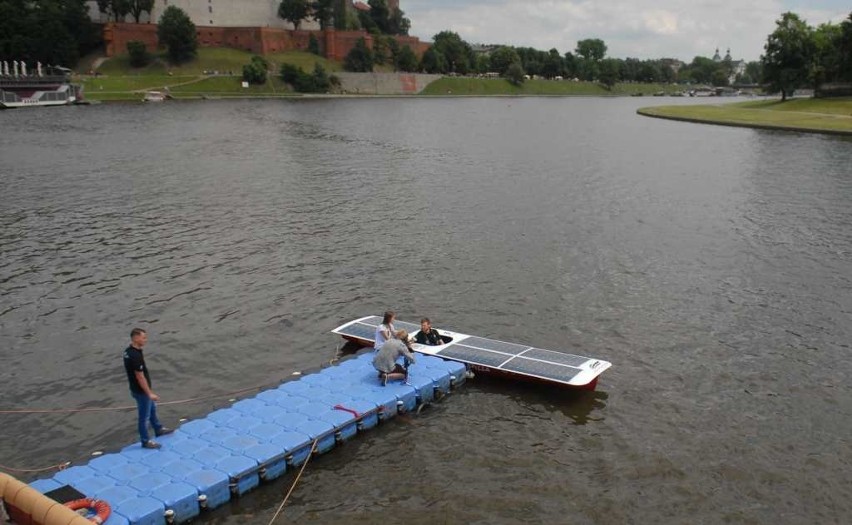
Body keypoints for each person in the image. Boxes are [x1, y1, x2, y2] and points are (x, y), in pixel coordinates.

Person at [123, 328, 173, 449]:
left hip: (136, 389)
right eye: (143, 337)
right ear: (135, 338)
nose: (146, 340)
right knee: (144, 417)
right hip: (141, 391)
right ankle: (145, 441)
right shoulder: (135, 355)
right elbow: (140, 377)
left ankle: (158, 428)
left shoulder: (129, 351)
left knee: (152, 409)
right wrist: (149, 393)